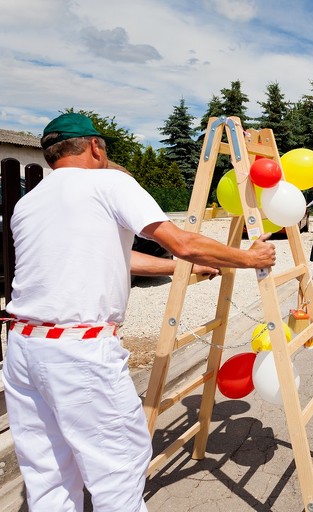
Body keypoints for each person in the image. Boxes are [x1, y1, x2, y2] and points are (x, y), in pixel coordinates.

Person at [2, 112, 277, 511]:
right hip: (79, 354)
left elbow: (117, 257)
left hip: (24, 349)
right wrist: (247, 258)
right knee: (119, 469)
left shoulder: (29, 203)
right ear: (96, 147)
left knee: (48, 475)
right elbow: (180, 240)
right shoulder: (109, 182)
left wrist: (181, 267)